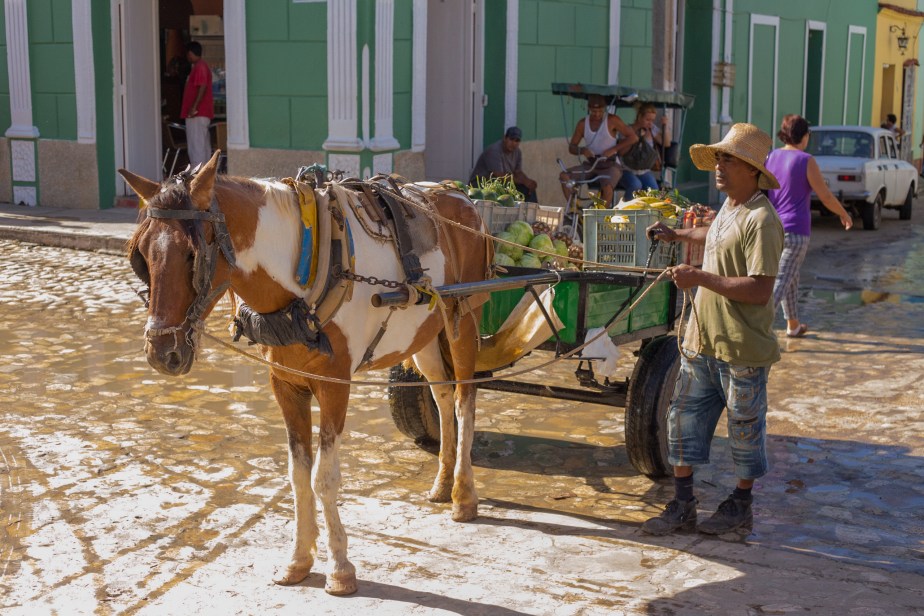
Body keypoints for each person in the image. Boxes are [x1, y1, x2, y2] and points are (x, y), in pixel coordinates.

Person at [642, 123, 784, 537]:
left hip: (742, 348)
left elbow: (760, 290)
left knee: (744, 429)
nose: (719, 167)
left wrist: (700, 278)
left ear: (752, 170)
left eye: (729, 159)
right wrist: (679, 233)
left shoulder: (763, 220)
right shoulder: (728, 208)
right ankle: (683, 503)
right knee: (681, 421)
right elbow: (715, 235)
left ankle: (741, 505)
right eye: (719, 158)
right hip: (701, 341)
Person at [765, 114, 853, 339]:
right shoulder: (806, 160)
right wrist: (843, 213)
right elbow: (824, 195)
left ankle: (793, 325)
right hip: (796, 230)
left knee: (790, 277)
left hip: (773, 228)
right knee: (783, 279)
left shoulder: (771, 156)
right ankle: (757, 328)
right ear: (804, 136)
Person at [559, 94, 637, 207]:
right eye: (594, 111)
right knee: (564, 176)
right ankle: (574, 210)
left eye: (600, 111)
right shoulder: (582, 124)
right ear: (589, 109)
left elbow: (633, 137)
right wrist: (582, 150)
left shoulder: (612, 120)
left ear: (604, 109)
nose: (597, 114)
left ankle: (600, 217)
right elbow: (572, 147)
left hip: (611, 164)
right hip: (592, 164)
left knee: (607, 187)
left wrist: (613, 149)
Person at [469, 127, 538, 202]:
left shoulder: (517, 152)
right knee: (510, 190)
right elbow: (500, 175)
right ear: (505, 138)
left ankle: (532, 212)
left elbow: (518, 172)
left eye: (517, 140)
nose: (514, 143)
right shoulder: (494, 151)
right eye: (511, 139)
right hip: (481, 185)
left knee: (528, 189)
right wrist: (524, 182)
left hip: (501, 184)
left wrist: (528, 182)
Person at [619, 103, 667, 194]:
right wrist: (634, 138)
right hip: (626, 169)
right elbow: (621, 152)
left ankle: (647, 208)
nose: (650, 123)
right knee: (635, 185)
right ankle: (628, 207)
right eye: (647, 119)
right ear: (640, 117)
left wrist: (665, 126)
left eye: (652, 120)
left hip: (643, 170)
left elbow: (666, 143)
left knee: (654, 191)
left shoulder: (651, 129)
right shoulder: (627, 130)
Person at [181, 41, 214, 168]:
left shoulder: (199, 67)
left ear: (190, 53)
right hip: (200, 114)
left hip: (197, 114)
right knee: (203, 147)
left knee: (196, 148)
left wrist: (194, 107)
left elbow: (202, 86)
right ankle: (204, 175)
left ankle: (198, 177)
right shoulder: (201, 66)